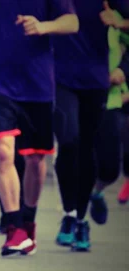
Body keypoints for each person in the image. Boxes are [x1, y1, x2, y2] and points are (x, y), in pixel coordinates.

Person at [0, 0, 78, 257]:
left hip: (37, 83)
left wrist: (44, 26)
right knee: (2, 152)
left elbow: (72, 22)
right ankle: (14, 227)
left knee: (35, 159)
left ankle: (28, 222)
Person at [52, 1, 115, 252]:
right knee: (69, 140)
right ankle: (68, 214)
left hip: (95, 80)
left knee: (87, 147)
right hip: (59, 77)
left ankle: (81, 219)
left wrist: (120, 22)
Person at [91, 4, 129, 224]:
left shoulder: (114, 12)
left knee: (109, 168)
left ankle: (96, 192)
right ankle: (74, 216)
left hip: (110, 98)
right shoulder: (66, 9)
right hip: (74, 92)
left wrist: (122, 69)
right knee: (75, 151)